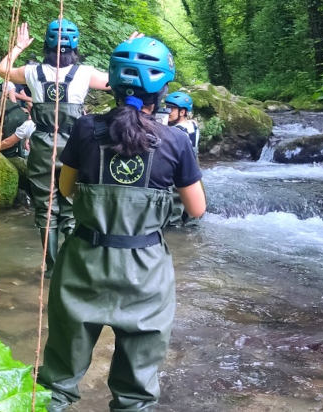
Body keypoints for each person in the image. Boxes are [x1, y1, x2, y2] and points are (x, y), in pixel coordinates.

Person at [37, 36, 206, 412]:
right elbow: (197, 210)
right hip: (144, 272)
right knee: (136, 395)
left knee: (56, 381)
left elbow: (65, 189)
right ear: (163, 90)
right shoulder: (176, 141)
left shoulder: (84, 130)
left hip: (83, 265)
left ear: (111, 83)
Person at [0, 19, 110, 277]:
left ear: (47, 43)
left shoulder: (31, 71)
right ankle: (70, 268)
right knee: (71, 206)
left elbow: (3, 70)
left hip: (42, 148)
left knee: (46, 207)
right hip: (75, 147)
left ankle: (51, 268)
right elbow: (115, 81)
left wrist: (18, 46)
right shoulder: (85, 73)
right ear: (76, 45)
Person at [165, 91, 202, 227]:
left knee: (176, 197)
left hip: (179, 165)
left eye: (172, 108)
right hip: (192, 164)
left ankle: (174, 228)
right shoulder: (193, 125)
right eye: (167, 107)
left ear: (182, 112)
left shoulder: (177, 130)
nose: (167, 111)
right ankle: (191, 224)